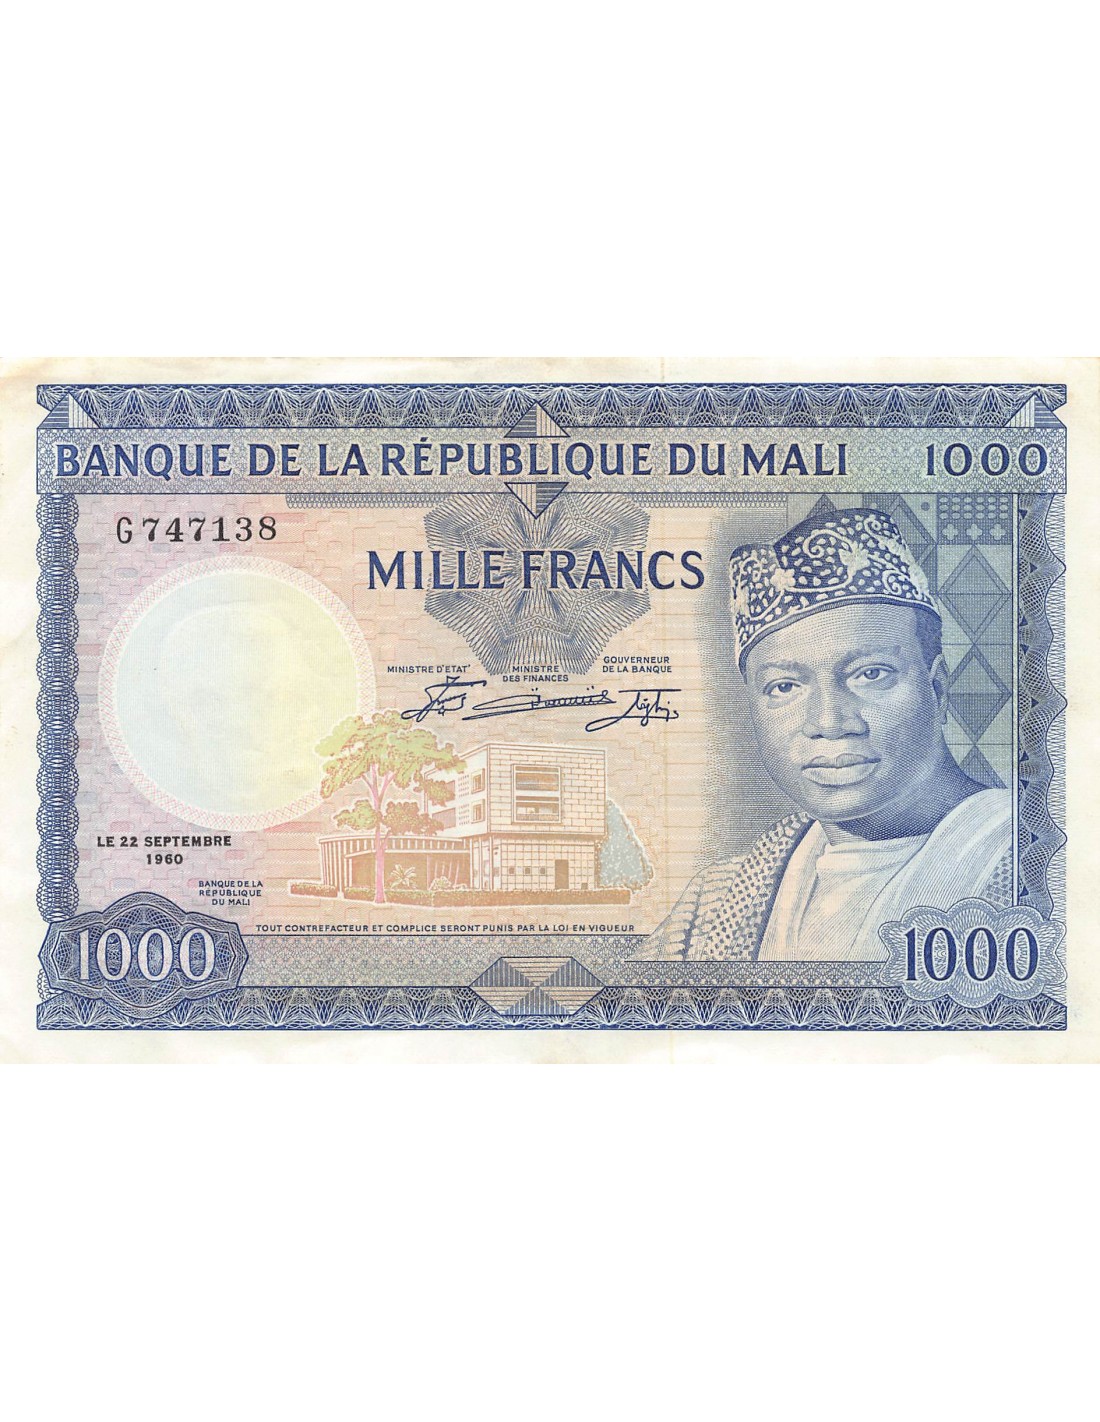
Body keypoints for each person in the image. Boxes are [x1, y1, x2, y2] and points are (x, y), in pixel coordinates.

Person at [646, 507, 1013, 962]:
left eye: (870, 674)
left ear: (936, 689)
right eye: (784, 687)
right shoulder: (712, 907)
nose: (828, 722)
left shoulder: (1035, 859)